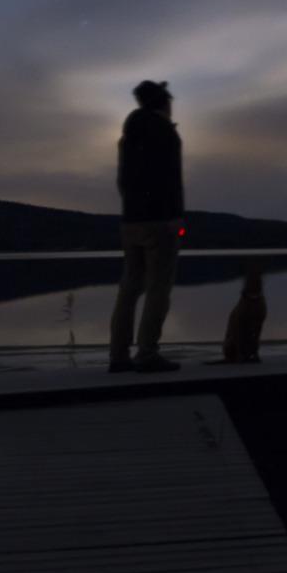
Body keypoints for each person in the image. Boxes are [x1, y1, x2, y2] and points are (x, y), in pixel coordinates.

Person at [108, 79, 185, 373]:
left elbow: (123, 181)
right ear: (163, 102)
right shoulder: (165, 132)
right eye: (169, 100)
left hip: (130, 221)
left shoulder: (128, 137)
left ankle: (118, 355)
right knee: (158, 288)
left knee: (129, 288)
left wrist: (132, 207)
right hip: (160, 222)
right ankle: (147, 353)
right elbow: (170, 178)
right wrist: (174, 215)